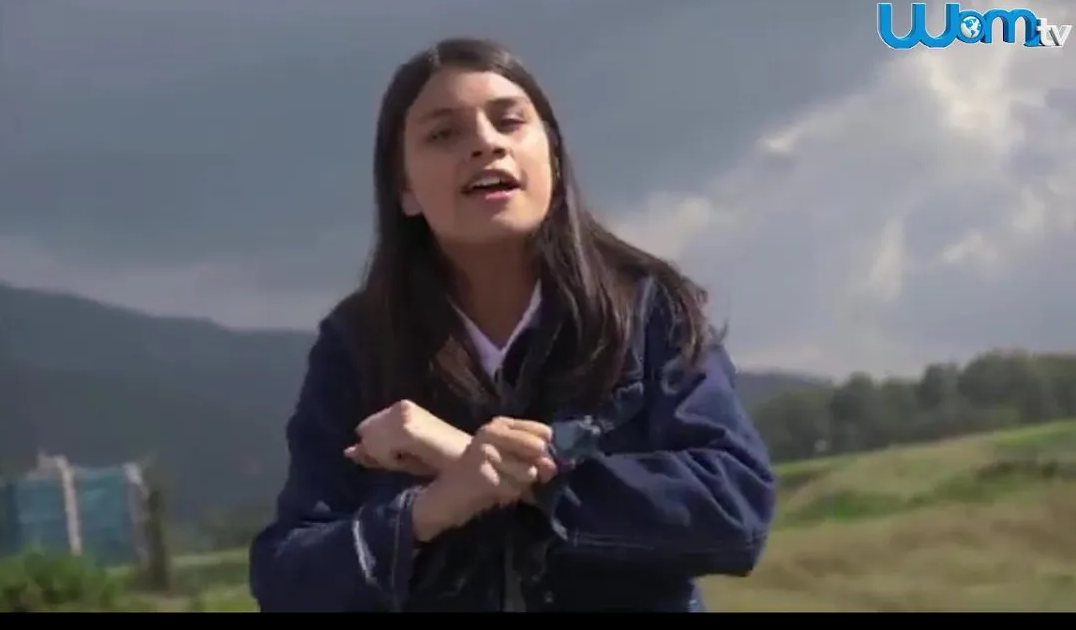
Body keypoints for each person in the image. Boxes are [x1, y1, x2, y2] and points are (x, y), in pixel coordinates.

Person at [248, 37, 777, 612]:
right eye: (444, 134)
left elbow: (734, 513)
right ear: (404, 189)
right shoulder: (358, 346)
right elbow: (286, 578)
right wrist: (428, 510)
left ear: (553, 158)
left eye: (509, 121)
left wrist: (500, 468)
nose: (486, 143)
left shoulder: (647, 309)